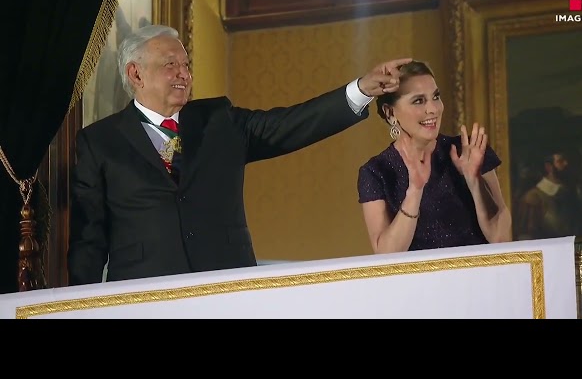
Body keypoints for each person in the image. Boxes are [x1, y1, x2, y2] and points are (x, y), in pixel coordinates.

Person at [67, 24, 412, 285]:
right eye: (170, 64)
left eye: (186, 65)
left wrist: (361, 90)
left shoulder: (220, 121)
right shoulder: (99, 142)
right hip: (143, 297)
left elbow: (292, 124)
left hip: (226, 288)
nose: (184, 74)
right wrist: (78, 306)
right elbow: (89, 240)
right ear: (136, 73)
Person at [357, 60, 512, 253]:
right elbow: (387, 255)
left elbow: (501, 240)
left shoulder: (468, 150)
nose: (433, 109)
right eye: (419, 100)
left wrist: (474, 181)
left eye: (436, 97)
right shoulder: (376, 171)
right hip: (421, 282)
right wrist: (415, 189)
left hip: (479, 278)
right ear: (390, 113)